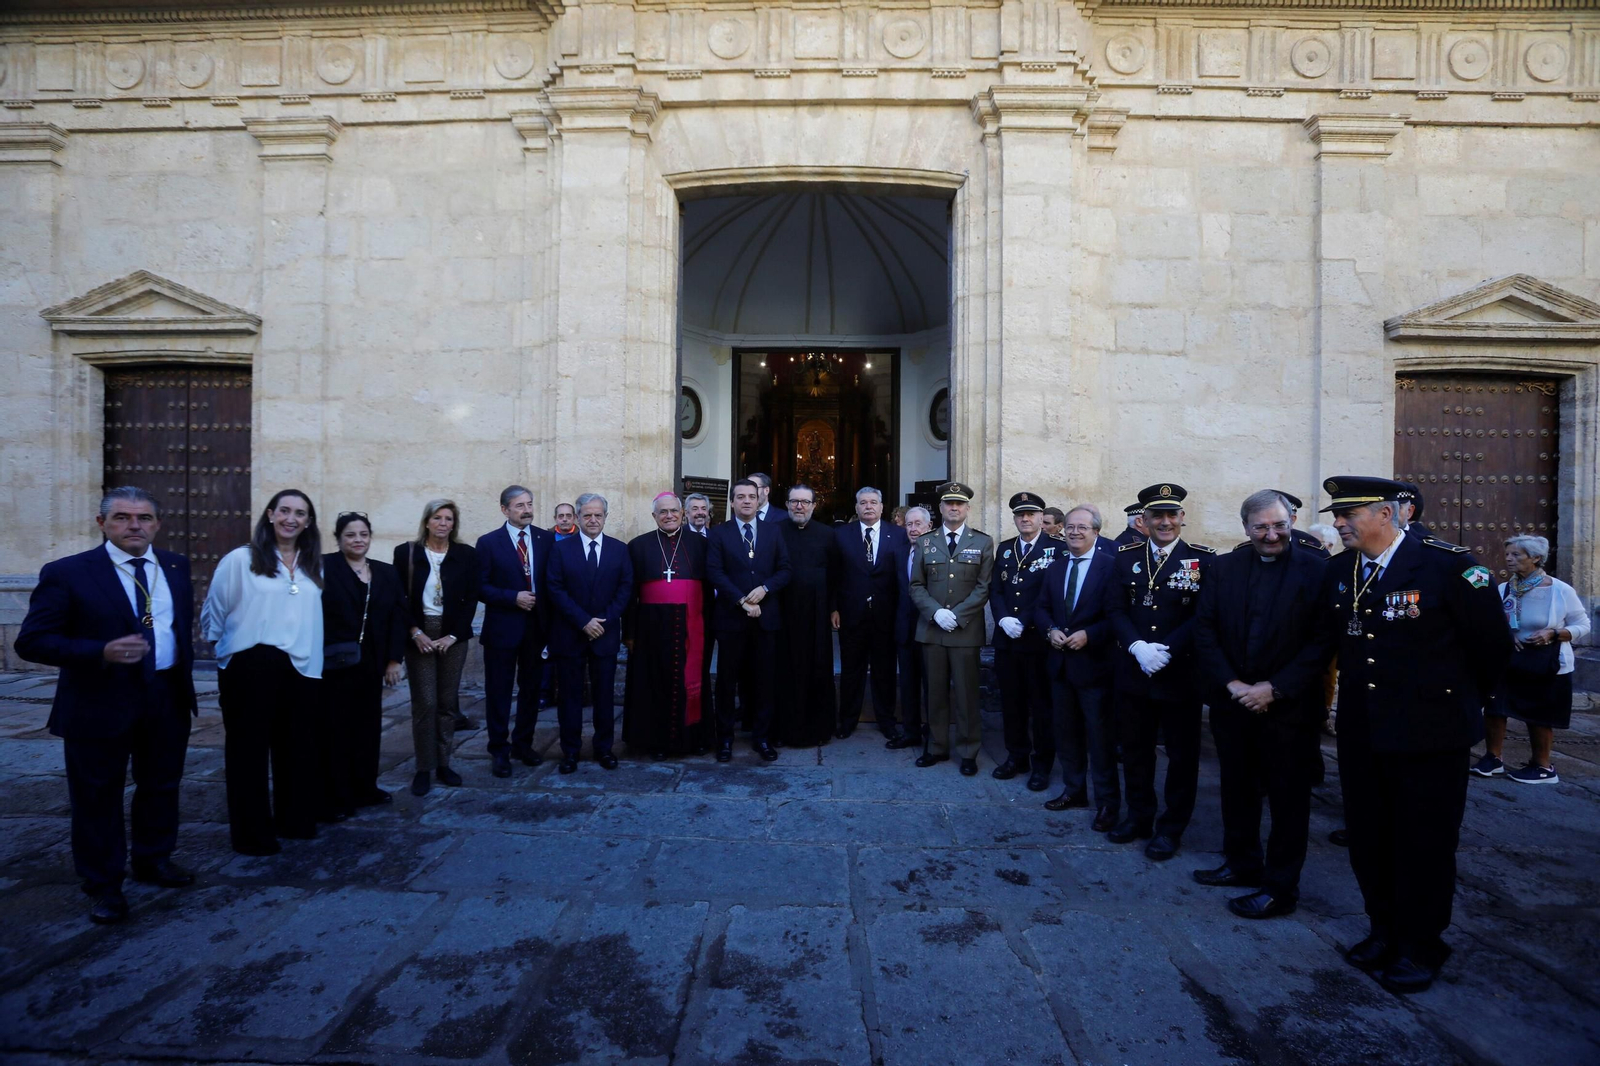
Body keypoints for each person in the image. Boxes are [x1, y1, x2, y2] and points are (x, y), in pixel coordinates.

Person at [1315, 475, 1511, 993]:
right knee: (1369, 839)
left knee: (1423, 844)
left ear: (1385, 515)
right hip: (1364, 732)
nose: (1337, 524)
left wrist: (1456, 705)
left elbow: (1491, 649)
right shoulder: (1339, 571)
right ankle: (1383, 931)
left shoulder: (1451, 567)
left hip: (1431, 735)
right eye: (1336, 515)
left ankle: (1423, 945)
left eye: (1348, 515)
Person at [16, 486, 199, 924]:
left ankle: (153, 859)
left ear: (157, 524)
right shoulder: (69, 572)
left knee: (161, 785)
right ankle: (103, 885)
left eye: (143, 518)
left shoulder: (175, 566)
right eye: (121, 517)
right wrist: (100, 651)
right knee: (97, 797)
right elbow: (32, 641)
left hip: (165, 694)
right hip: (99, 702)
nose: (133, 525)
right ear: (102, 524)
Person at [1192, 490, 1330, 919]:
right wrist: (1233, 684)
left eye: (1279, 525)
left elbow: (1322, 642)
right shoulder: (1223, 567)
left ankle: (1280, 887)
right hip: (1234, 703)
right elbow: (1204, 630)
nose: (1272, 535)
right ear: (1245, 527)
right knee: (1236, 788)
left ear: (1291, 522)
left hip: (1287, 708)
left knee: (1289, 799)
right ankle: (1241, 863)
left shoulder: (1316, 569)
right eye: (1261, 527)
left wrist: (1275, 687)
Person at [202, 489, 324, 856]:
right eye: (284, 510)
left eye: (300, 513)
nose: (291, 518)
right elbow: (214, 612)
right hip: (250, 665)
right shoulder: (241, 560)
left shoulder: (313, 564)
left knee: (297, 749)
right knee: (248, 753)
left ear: (308, 522)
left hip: (301, 667)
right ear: (270, 515)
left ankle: (294, 819)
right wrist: (228, 651)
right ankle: (253, 834)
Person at [1105, 483, 1215, 861]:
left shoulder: (1203, 560)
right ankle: (1139, 816)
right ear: (1144, 520)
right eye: (1157, 516)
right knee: (1135, 750)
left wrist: (1166, 649)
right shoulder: (1124, 557)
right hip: (1134, 670)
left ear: (1182, 518)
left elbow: (1203, 615)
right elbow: (1115, 609)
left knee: (1182, 757)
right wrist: (1137, 646)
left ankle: (1171, 828)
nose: (1164, 522)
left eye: (1172, 515)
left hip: (1179, 673)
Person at [1476, 535, 1589, 785]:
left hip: (1545, 661)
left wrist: (1554, 633)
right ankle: (1492, 758)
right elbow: (1492, 621)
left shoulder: (1560, 590)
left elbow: (1583, 625)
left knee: (1539, 713)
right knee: (1496, 708)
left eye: (1516, 555)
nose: (1509, 559)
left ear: (1536, 558)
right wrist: (1504, 635)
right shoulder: (1505, 588)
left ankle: (1543, 766)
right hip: (1509, 660)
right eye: (1507, 554)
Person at [1034, 505, 1120, 829]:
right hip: (1060, 667)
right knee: (1066, 734)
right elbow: (1041, 608)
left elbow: (1117, 616)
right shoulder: (1055, 568)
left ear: (1096, 532)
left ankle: (1108, 804)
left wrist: (1091, 635)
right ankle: (1074, 791)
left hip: (1094, 668)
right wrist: (1049, 630)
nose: (1074, 532)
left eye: (1082, 527)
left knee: (1099, 739)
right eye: (1070, 527)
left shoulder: (1110, 567)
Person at [319, 512, 406, 820]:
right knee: (336, 730)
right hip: (334, 664)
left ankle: (365, 787)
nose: (358, 540)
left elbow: (398, 616)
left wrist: (394, 659)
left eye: (363, 534)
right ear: (339, 539)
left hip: (371, 663)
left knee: (367, 728)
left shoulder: (385, 573)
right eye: (350, 535)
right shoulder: (325, 567)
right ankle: (337, 795)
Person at [909, 481, 994, 775]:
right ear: (941, 508)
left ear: (968, 509)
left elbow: (983, 588)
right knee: (934, 692)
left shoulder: (982, 542)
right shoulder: (926, 541)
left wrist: (956, 615)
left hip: (965, 631)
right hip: (932, 630)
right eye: (948, 504)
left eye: (959, 504)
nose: (954, 508)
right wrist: (936, 613)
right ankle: (936, 747)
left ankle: (968, 751)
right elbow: (916, 585)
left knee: (967, 695)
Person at [545, 493, 633, 773]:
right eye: (587, 515)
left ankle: (603, 748)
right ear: (578, 518)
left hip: (604, 635)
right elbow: (555, 588)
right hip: (570, 634)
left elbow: (625, 589)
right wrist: (584, 621)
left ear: (606, 517)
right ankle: (570, 751)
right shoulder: (560, 549)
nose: (593, 520)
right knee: (569, 696)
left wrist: (603, 621)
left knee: (604, 696)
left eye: (598, 515)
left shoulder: (619, 549)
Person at [395, 499, 478, 796]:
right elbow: (400, 599)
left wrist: (454, 636)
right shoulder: (407, 553)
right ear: (427, 521)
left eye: (449, 519)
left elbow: (471, 598)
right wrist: (415, 632)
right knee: (425, 702)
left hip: (453, 637)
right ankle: (423, 766)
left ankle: (444, 762)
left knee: (446, 703)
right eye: (438, 518)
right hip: (420, 635)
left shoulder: (466, 555)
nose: (443, 524)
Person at [707, 479, 793, 761]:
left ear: (759, 500)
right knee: (727, 681)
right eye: (740, 496)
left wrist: (764, 589)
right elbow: (715, 572)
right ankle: (725, 740)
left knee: (764, 680)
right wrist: (743, 600)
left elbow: (785, 569)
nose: (746, 501)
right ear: (731, 502)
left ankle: (762, 738)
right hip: (731, 619)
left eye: (751, 497)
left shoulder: (773, 531)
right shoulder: (719, 533)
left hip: (766, 619)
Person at [623, 493, 713, 757]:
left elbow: (709, 588)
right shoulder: (638, 546)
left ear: (682, 514)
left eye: (674, 511)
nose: (669, 516)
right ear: (654, 516)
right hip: (652, 629)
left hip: (692, 624)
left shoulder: (700, 544)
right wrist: (629, 633)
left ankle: (694, 739)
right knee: (654, 683)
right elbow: (630, 593)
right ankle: (657, 742)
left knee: (692, 680)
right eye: (663, 512)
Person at [476, 485, 552, 778]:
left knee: (532, 689)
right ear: (504, 509)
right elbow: (480, 587)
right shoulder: (488, 543)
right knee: (499, 691)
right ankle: (499, 749)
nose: (527, 510)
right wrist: (512, 597)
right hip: (502, 629)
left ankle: (523, 743)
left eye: (529, 504)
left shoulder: (546, 539)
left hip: (537, 628)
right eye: (519, 505)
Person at [989, 492, 1056, 785]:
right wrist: (1003, 617)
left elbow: (1050, 594)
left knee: (1041, 705)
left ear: (1042, 518)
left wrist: (1024, 620)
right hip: (1007, 639)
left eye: (1031, 514)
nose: (1025, 519)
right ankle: (1017, 756)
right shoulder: (1005, 549)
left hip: (1037, 640)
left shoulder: (1057, 549)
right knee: (1011, 702)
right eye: (1020, 515)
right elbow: (996, 589)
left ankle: (1042, 763)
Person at [833, 486, 907, 742]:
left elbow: (903, 577)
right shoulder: (841, 535)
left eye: (873, 502)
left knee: (884, 671)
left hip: (886, 616)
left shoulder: (898, 535)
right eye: (863, 502)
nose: (868, 506)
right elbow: (834, 575)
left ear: (882, 507)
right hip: (851, 615)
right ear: (856, 508)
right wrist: (834, 607)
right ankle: (847, 720)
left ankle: (887, 721)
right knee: (851, 670)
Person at [775, 483, 840, 747]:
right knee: (783, 670)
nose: (799, 506)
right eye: (794, 501)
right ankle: (782, 729)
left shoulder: (827, 534)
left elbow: (835, 573)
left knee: (817, 667)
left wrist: (834, 607)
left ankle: (818, 729)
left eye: (805, 502)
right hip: (783, 612)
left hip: (817, 612)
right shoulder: (775, 532)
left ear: (814, 505)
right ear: (787, 504)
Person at [892, 506, 933, 751]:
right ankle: (910, 732)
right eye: (909, 524)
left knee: (932, 685)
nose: (914, 529)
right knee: (907, 684)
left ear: (929, 526)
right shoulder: (898, 553)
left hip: (930, 630)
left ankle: (933, 733)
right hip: (905, 630)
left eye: (918, 524)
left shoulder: (938, 553)